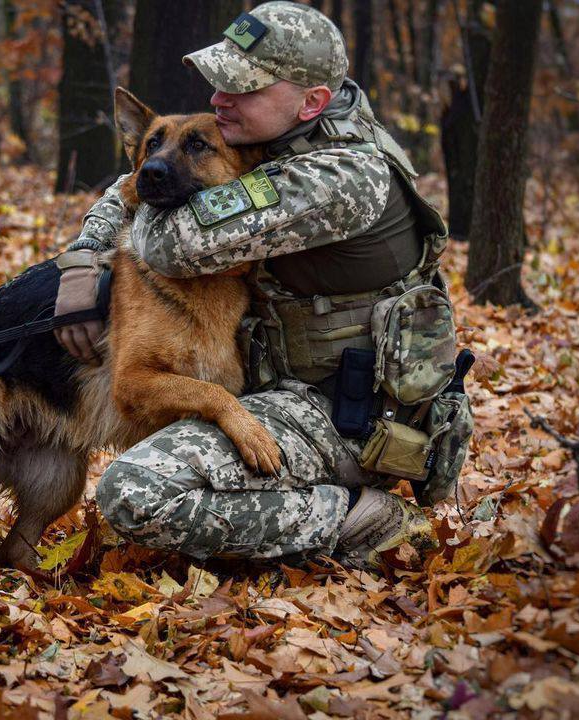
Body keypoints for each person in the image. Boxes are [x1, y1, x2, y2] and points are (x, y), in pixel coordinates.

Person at [52, 1, 471, 568]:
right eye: (220, 80)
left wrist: (134, 198)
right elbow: (142, 180)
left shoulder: (339, 177)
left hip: (344, 417)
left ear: (312, 101)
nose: (220, 98)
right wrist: (81, 257)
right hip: (280, 387)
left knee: (136, 495)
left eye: (243, 86)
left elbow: (170, 240)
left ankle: (359, 515)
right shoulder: (277, 138)